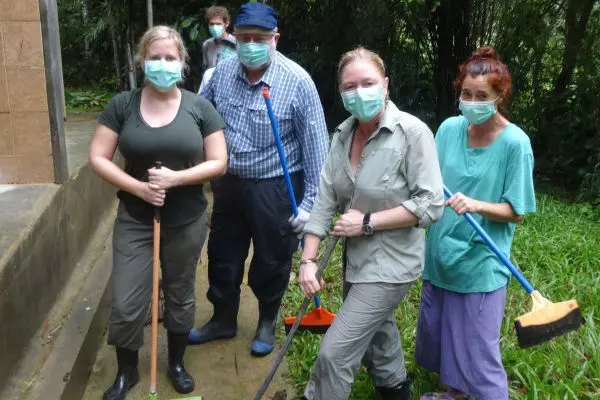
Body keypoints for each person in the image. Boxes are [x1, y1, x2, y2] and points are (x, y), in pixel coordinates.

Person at [89, 26, 228, 400]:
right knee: (126, 297)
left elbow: (219, 162)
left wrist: (176, 179)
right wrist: (138, 188)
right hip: (136, 217)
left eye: (170, 57)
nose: (162, 64)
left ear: (182, 63)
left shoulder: (200, 107)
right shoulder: (122, 105)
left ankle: (177, 362)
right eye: (155, 57)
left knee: (180, 292)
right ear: (142, 61)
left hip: (185, 220)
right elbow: (98, 157)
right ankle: (127, 371)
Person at [298, 47, 444, 400]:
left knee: (335, 352)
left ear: (386, 85)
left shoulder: (412, 133)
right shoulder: (343, 135)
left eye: (368, 82)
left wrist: (366, 221)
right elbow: (324, 201)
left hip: (392, 264)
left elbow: (431, 204)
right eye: (350, 85)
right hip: (357, 261)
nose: (359, 91)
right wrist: (308, 260)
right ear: (341, 92)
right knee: (379, 333)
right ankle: (395, 390)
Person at [188, 2, 330, 357]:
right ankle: (223, 318)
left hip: (275, 185)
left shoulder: (297, 82)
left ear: (275, 39)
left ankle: (266, 318)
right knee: (222, 253)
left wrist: (310, 206)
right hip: (229, 183)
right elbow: (199, 116)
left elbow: (317, 150)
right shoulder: (222, 71)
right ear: (234, 37)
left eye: (260, 38)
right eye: (245, 37)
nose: (251, 43)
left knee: (272, 256)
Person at [415, 46, 536, 400]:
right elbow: (429, 178)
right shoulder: (450, 129)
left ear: (500, 95)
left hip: (482, 260)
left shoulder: (516, 143)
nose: (472, 101)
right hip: (440, 253)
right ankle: (455, 392)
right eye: (466, 93)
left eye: (482, 95)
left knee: (477, 350)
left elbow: (517, 211)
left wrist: (478, 205)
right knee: (441, 333)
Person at [202, 5, 236, 70]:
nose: (214, 27)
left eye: (218, 24)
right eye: (212, 24)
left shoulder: (236, 43)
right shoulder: (207, 44)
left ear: (226, 24)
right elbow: (207, 68)